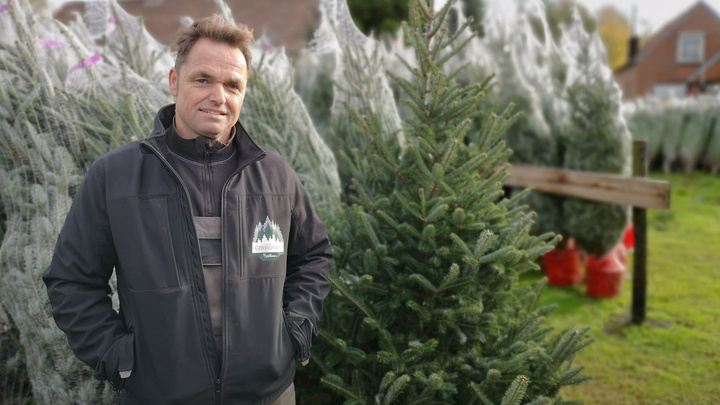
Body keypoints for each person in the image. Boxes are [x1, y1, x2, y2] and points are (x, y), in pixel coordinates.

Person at [43, 14, 332, 405]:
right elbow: (71, 280)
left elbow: (313, 255)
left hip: (268, 393)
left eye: (233, 85)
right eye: (203, 79)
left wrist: (295, 330)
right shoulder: (115, 177)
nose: (219, 96)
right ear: (174, 81)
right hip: (159, 396)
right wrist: (118, 356)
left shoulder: (275, 177)